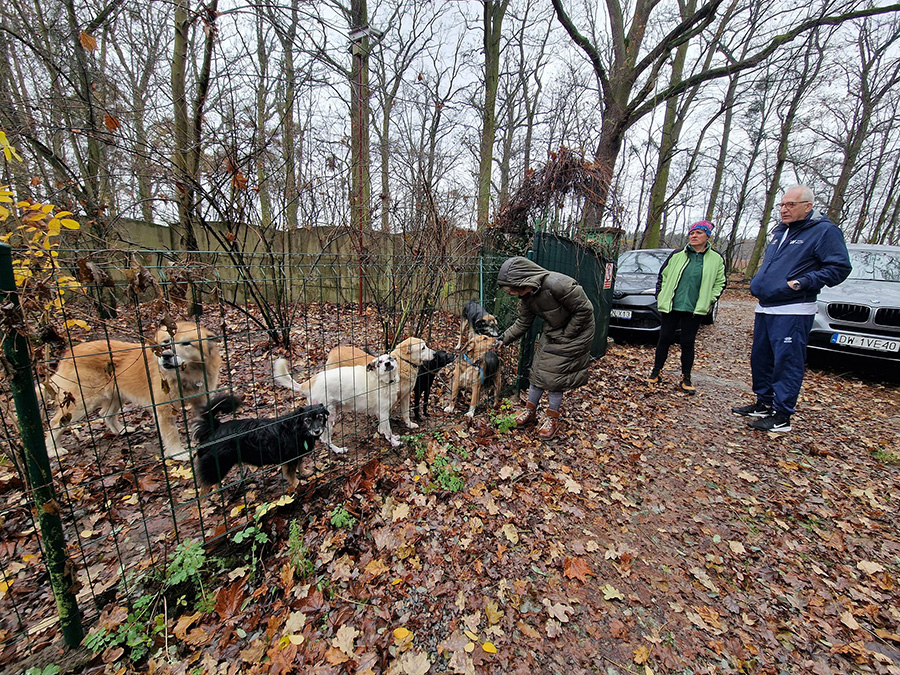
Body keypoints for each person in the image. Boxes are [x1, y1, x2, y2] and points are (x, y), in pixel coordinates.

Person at [732, 185, 851, 433]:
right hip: (767, 307)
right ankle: (764, 403)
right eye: (782, 205)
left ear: (808, 206)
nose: (784, 210)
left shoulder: (824, 232)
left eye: (790, 205)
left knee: (787, 361)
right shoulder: (780, 231)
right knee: (761, 358)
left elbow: (839, 268)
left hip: (794, 308)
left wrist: (801, 282)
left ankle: (782, 414)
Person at [495, 256, 595, 441]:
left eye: (510, 288)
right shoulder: (527, 297)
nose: (510, 292)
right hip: (554, 330)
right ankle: (530, 412)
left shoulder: (558, 284)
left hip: (577, 331)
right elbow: (522, 323)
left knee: (555, 377)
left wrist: (567, 334)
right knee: (538, 369)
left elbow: (585, 310)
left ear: (521, 280)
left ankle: (552, 419)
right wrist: (503, 339)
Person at [645, 221, 726, 394]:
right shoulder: (677, 255)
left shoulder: (716, 259)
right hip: (672, 306)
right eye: (692, 233)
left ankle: (686, 378)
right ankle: (656, 372)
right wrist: (661, 296)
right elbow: (663, 276)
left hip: (694, 308)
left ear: (707, 236)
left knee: (687, 342)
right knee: (664, 339)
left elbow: (720, 282)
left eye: (699, 233)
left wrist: (710, 300)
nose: (694, 236)